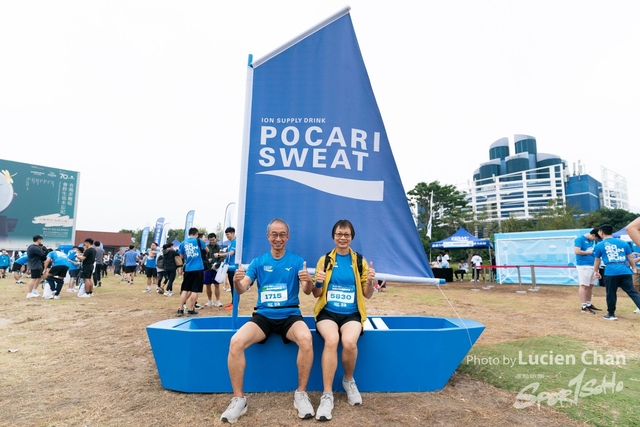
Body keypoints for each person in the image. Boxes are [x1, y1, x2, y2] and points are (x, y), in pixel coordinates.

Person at [220, 218, 315, 423]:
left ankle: (301, 394)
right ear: (268, 236)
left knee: (306, 339)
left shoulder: (297, 261)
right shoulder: (258, 262)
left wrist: (308, 281)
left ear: (288, 237)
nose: (278, 238)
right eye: (274, 234)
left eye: (282, 235)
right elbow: (242, 288)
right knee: (236, 342)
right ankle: (239, 400)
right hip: (263, 316)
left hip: (290, 315)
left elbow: (307, 291)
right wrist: (236, 282)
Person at [312, 219, 375, 421]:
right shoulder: (325, 260)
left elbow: (367, 294)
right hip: (327, 313)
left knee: (349, 342)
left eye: (346, 234)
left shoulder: (359, 261)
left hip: (352, 314)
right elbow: (315, 293)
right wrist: (318, 283)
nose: (342, 238)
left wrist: (370, 281)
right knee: (331, 340)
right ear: (333, 236)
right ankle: (327, 394)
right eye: (339, 234)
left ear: (351, 237)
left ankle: (348, 381)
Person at [593, 224, 640, 320]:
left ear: (601, 232)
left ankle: (611, 314)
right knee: (632, 292)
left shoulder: (599, 245)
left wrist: (595, 271)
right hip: (625, 270)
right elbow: (630, 256)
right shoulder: (623, 243)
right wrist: (633, 267)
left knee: (611, 293)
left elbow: (597, 260)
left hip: (611, 271)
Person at [176, 227, 205, 316]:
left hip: (188, 268)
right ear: (196, 234)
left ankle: (180, 309)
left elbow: (181, 256)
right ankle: (191, 309)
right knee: (195, 290)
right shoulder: (199, 241)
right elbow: (206, 249)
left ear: (189, 234)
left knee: (185, 289)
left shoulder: (182, 243)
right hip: (198, 268)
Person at [574, 228, 601, 314]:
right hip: (584, 265)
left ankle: (588, 304)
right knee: (584, 285)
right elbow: (576, 251)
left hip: (593, 265)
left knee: (590, 286)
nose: (595, 240)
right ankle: (584, 306)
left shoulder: (592, 241)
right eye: (596, 238)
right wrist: (587, 252)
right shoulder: (580, 239)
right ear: (593, 235)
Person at [203, 232, 224, 307]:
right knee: (208, 285)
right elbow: (203, 257)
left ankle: (218, 301)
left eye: (213, 240)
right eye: (210, 240)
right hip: (208, 269)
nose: (212, 241)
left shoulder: (219, 248)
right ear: (208, 240)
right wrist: (207, 260)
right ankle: (209, 300)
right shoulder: (206, 247)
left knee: (217, 285)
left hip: (216, 269)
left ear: (216, 239)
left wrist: (216, 265)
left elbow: (222, 258)